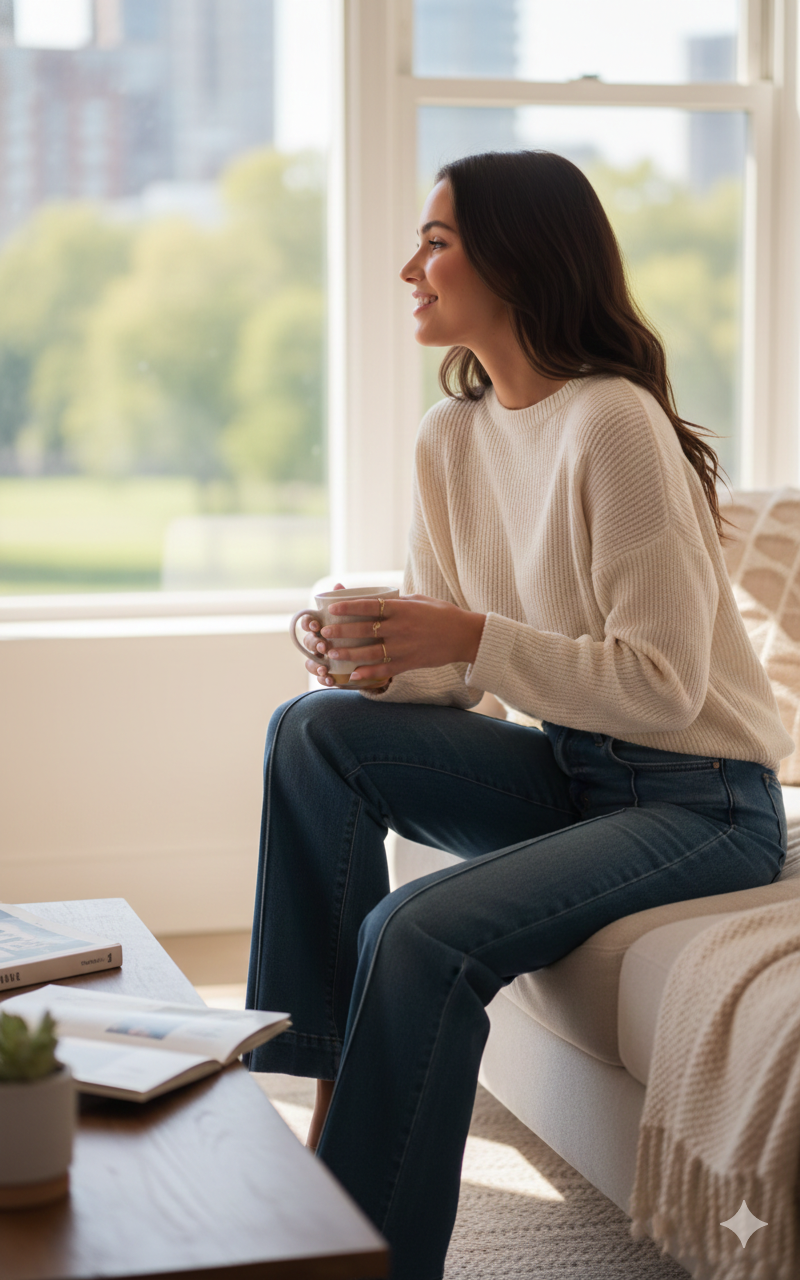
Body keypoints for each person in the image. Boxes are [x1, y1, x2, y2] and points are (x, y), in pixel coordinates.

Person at [245, 150, 792, 1280]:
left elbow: (659, 687)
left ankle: (358, 1257)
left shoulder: (613, 424)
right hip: (572, 772)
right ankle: (330, 1083)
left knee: (415, 929)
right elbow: (456, 685)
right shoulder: (451, 438)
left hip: (703, 804)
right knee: (308, 730)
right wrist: (366, 658)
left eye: (435, 241)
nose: (410, 266)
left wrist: (462, 635)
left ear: (516, 258)